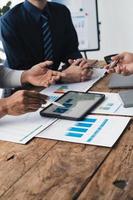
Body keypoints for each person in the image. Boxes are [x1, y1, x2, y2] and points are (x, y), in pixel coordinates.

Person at [1, 0, 96, 83]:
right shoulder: (9, 21)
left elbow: (71, 50)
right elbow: (21, 70)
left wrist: (79, 65)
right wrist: (62, 76)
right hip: (24, 89)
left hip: (58, 84)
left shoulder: (62, 11)